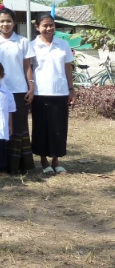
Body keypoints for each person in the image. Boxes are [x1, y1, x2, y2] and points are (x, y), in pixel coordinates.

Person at [0, 6, 36, 174]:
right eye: (2, 21)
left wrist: (31, 86)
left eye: (8, 21)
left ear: (14, 23)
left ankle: (19, 165)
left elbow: (27, 67)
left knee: (18, 127)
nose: (5, 24)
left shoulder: (23, 42)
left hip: (19, 91)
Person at [30, 12, 75, 175]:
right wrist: (30, 89)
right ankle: (43, 161)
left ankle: (56, 161)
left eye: (51, 25)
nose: (49, 28)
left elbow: (67, 68)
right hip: (39, 93)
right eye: (45, 25)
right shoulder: (31, 46)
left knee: (59, 128)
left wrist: (71, 89)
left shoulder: (63, 45)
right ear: (37, 27)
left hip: (60, 92)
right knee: (41, 128)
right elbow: (29, 69)